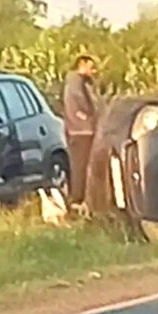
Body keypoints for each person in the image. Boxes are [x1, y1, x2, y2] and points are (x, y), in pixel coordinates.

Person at [63, 54, 99, 212]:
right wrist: (90, 118)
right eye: (91, 67)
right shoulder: (75, 84)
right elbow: (81, 107)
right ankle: (77, 200)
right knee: (80, 166)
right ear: (82, 64)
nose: (93, 71)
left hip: (83, 130)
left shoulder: (80, 83)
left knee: (83, 166)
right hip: (81, 131)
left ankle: (81, 199)